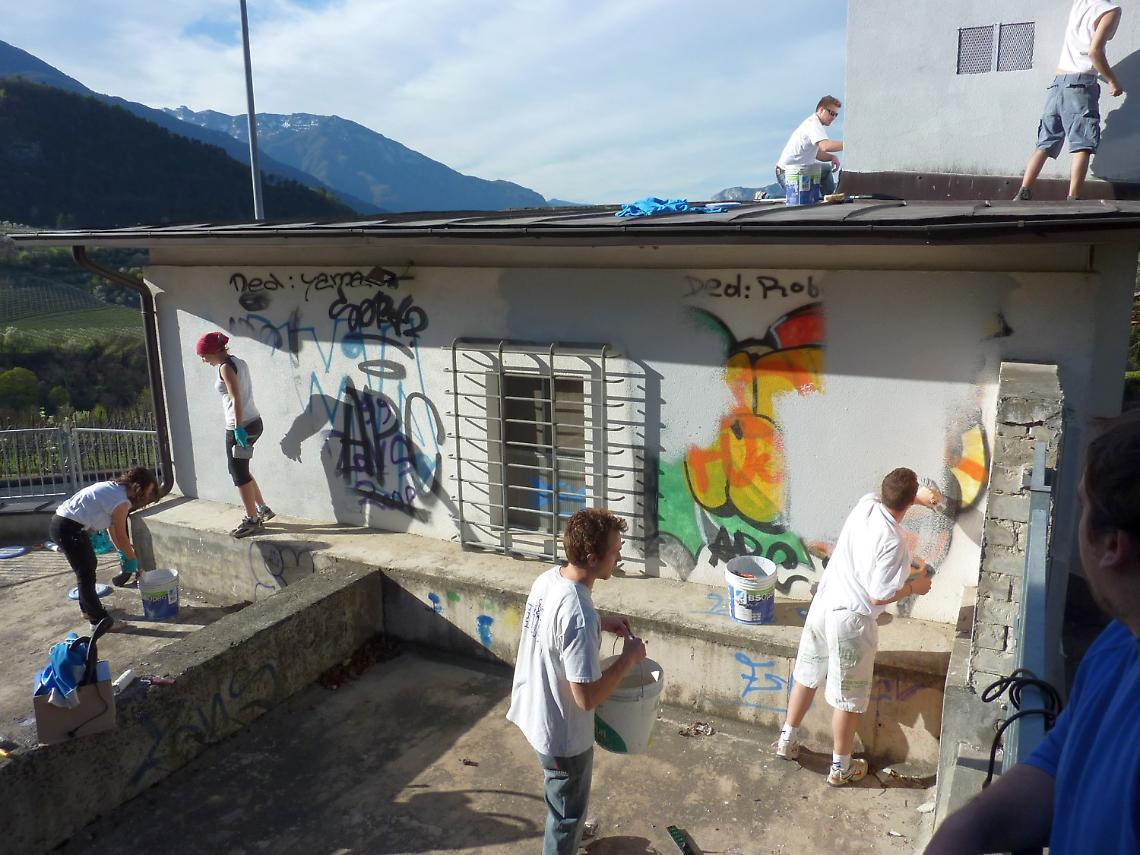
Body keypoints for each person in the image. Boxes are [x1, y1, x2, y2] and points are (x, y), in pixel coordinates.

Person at [925, 412, 1140, 854]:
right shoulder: (1120, 642)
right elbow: (1064, 757)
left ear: (1112, 546)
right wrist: (966, 830)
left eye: (1081, 507)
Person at [773, 468, 941, 785]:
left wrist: (914, 496)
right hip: (850, 620)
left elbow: (889, 497)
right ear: (909, 501)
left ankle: (787, 739)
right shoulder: (894, 542)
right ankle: (840, 768)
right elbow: (879, 594)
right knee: (846, 699)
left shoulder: (866, 505)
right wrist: (914, 587)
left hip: (822, 605)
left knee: (807, 675)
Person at [506, 508, 647, 855]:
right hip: (564, 738)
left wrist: (602, 620)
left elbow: (559, 625)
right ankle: (565, 836)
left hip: (538, 713)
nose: (619, 556)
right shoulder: (579, 615)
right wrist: (627, 660)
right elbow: (586, 698)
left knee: (563, 797)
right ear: (592, 557)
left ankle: (570, 823)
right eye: (615, 550)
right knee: (566, 813)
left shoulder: (550, 579)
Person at [1013, 0, 1124, 202]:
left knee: (1045, 143)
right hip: (1080, 84)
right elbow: (1094, 52)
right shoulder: (1111, 10)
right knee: (1083, 144)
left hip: (1057, 83)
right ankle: (1073, 198)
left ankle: (1024, 191)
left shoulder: (1081, 2)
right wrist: (1113, 81)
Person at [50, 466, 160, 630]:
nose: (146, 496)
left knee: (88, 568)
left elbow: (113, 529)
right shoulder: (120, 500)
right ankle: (99, 621)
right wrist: (133, 561)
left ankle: (88, 609)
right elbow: (122, 536)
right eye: (147, 491)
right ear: (138, 486)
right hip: (68, 528)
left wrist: (123, 551)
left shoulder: (115, 490)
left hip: (67, 526)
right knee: (85, 574)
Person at [196, 332, 274, 538]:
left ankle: (252, 520)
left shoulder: (225, 367)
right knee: (242, 470)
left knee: (238, 474)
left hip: (240, 426)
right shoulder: (238, 361)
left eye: (203, 355)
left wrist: (238, 427)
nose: (203, 360)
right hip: (254, 421)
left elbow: (236, 396)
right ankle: (262, 508)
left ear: (213, 351)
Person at [775, 95, 844, 197]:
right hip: (789, 173)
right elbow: (825, 146)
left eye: (836, 115)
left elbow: (818, 153)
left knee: (826, 169)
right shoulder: (813, 124)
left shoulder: (815, 125)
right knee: (801, 200)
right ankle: (765, 197)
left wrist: (832, 157)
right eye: (831, 113)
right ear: (821, 110)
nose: (833, 117)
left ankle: (831, 197)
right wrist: (851, 144)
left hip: (802, 171)